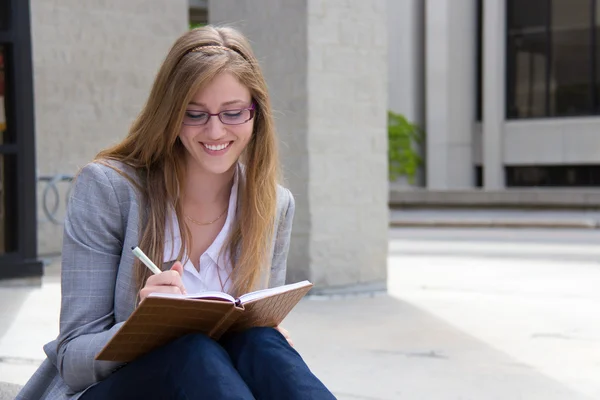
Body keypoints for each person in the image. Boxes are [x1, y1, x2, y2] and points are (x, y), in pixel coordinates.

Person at [17, 25, 336, 400]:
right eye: (195, 114)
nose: (215, 131)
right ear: (169, 115)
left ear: (256, 115)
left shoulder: (274, 204)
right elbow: (72, 361)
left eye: (233, 113)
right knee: (192, 352)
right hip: (110, 390)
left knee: (263, 343)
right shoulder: (108, 189)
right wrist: (141, 327)